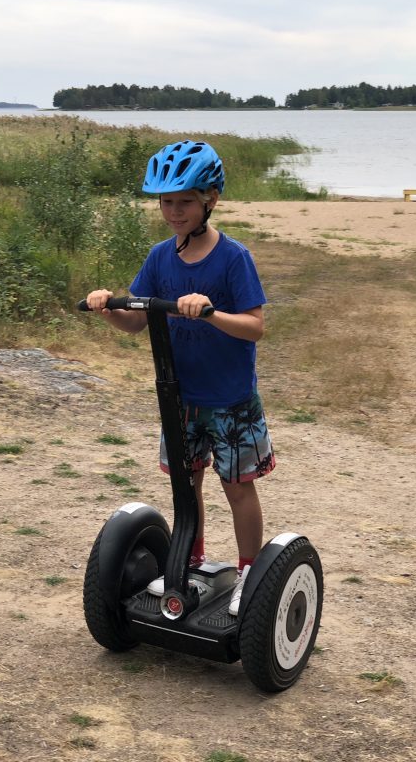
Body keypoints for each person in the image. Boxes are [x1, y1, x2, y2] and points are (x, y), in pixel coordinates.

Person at [85, 139, 275, 615]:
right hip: (180, 398)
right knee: (185, 483)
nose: (174, 211)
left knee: (236, 486)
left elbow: (254, 327)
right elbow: (136, 319)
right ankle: (190, 559)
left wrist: (210, 314)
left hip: (229, 398)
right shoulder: (159, 257)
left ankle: (249, 571)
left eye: (185, 201)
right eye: (167, 202)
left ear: (210, 200)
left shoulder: (233, 258)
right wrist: (109, 306)